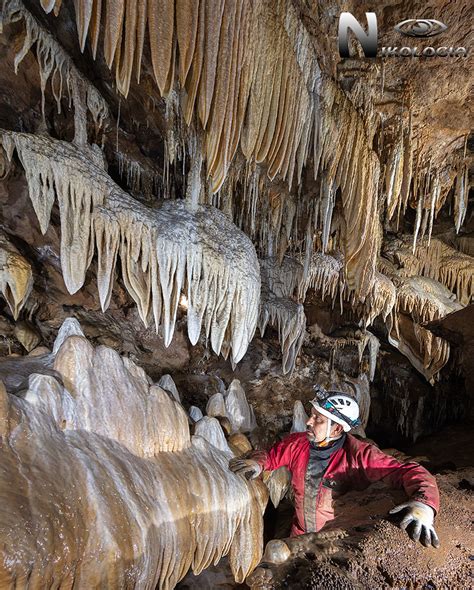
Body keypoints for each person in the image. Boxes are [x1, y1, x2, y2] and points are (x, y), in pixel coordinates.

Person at [229, 386, 440, 547]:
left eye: (317, 419)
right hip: (300, 534)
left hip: (335, 540)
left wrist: (424, 505)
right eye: (312, 415)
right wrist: (257, 463)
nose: (309, 422)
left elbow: (407, 471)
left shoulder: (359, 456)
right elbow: (271, 455)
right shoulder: (298, 444)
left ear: (337, 428)